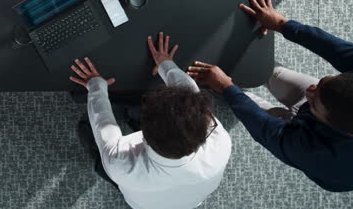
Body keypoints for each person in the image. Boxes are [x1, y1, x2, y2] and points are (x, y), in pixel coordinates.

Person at [188, 0, 353, 192]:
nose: (310, 88)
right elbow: (334, 48)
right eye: (321, 83)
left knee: (250, 104)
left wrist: (227, 87)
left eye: (315, 102)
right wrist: (282, 24)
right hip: (338, 125)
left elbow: (265, 129)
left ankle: (228, 87)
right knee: (270, 72)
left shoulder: (320, 157)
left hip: (337, 165)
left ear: (339, 127)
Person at [68, 32, 231, 208]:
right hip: (182, 201)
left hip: (140, 200)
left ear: (143, 132)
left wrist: (95, 85)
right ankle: (132, 118)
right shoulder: (220, 145)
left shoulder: (120, 165)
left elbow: (102, 121)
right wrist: (165, 64)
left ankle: (99, 145)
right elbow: (192, 97)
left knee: (101, 159)